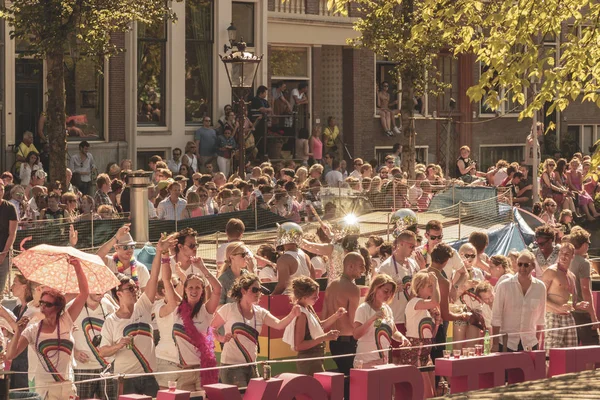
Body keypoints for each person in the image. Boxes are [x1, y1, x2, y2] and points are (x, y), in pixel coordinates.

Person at [6, 258, 89, 400]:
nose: (43, 307)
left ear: (58, 308)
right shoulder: (32, 330)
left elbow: (84, 293)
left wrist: (77, 267)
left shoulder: (66, 321)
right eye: (42, 303)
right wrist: (18, 331)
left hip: (67, 387)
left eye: (48, 305)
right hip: (43, 390)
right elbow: (10, 355)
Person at [98, 239, 163, 397]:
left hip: (149, 375)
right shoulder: (111, 320)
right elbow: (102, 352)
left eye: (135, 288)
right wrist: (118, 345)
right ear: (118, 294)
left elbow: (154, 278)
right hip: (125, 380)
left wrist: (160, 251)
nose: (135, 291)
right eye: (130, 289)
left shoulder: (143, 306)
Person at [210, 274, 300, 387]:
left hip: (252, 366)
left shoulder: (260, 312)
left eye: (260, 290)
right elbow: (211, 328)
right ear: (243, 291)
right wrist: (221, 338)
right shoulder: (228, 309)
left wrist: (292, 314)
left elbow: (279, 325)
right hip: (231, 366)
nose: (259, 293)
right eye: (255, 289)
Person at [157, 247, 221, 390]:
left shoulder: (206, 310)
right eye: (190, 288)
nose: (194, 291)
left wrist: (202, 268)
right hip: (183, 371)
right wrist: (165, 255)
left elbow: (218, 290)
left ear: (202, 291)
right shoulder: (177, 309)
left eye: (198, 288)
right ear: (185, 290)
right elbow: (166, 280)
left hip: (203, 370)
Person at [283, 276, 344, 375]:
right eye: (314, 297)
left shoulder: (308, 307)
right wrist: (324, 337)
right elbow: (299, 345)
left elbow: (319, 326)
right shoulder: (301, 314)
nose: (317, 298)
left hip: (316, 358)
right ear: (304, 297)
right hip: (309, 360)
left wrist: (336, 316)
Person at [322, 252, 363, 394]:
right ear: (350, 266)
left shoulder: (331, 285)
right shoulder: (353, 289)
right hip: (348, 341)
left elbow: (324, 315)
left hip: (333, 342)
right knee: (352, 382)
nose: (363, 270)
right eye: (360, 266)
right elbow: (354, 321)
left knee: (344, 378)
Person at [492, 250, 546, 352]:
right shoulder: (504, 285)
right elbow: (496, 316)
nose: (522, 268)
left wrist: (537, 342)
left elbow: (540, 318)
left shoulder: (540, 287)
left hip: (530, 343)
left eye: (526, 265)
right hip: (506, 343)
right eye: (520, 264)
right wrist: (495, 344)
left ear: (533, 266)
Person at [353, 274, 411, 368]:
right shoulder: (363, 308)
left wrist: (402, 338)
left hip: (383, 362)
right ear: (375, 289)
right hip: (366, 362)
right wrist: (372, 319)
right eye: (385, 291)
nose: (388, 295)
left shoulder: (387, 309)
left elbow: (394, 331)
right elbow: (356, 334)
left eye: (391, 292)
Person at [426, 243, 471, 362]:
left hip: (418, 327)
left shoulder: (420, 274)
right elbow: (445, 315)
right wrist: (463, 316)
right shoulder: (443, 282)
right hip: (435, 329)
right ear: (446, 261)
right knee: (436, 365)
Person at [71, 292, 117, 400]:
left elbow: (116, 330)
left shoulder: (108, 306)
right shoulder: (72, 307)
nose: (101, 291)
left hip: (107, 367)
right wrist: (74, 352)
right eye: (97, 288)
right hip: (82, 368)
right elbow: (61, 334)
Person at [541, 243, 588, 350]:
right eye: (561, 253)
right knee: (552, 353)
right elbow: (540, 297)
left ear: (572, 256)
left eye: (567, 254)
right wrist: (558, 307)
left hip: (568, 317)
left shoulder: (572, 276)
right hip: (553, 316)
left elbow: (570, 298)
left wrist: (577, 305)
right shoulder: (551, 271)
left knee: (571, 353)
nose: (563, 256)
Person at [377, 231, 421, 337]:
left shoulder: (413, 263)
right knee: (397, 353)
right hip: (396, 320)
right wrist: (393, 289)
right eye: (411, 246)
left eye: (415, 246)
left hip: (413, 318)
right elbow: (377, 294)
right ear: (400, 244)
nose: (413, 249)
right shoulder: (386, 267)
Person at [404, 271, 440, 398]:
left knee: (433, 393)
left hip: (426, 353)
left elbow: (431, 335)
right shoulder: (415, 302)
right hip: (416, 353)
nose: (432, 288)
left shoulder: (424, 307)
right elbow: (436, 302)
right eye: (429, 286)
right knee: (426, 393)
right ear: (419, 287)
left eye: (432, 285)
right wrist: (436, 282)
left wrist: (437, 322)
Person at [569, 228, 600, 345]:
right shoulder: (583, 263)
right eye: (588, 243)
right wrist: (593, 317)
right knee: (593, 349)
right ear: (583, 244)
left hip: (571, 310)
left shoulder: (566, 260)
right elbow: (585, 290)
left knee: (573, 349)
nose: (588, 246)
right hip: (583, 312)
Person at [97, 224, 151, 290]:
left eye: (132, 246)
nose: (130, 250)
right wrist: (116, 237)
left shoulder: (141, 269)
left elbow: (145, 295)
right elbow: (97, 257)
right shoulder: (109, 263)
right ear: (116, 248)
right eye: (125, 247)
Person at [272, 223, 315, 295]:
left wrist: (270, 298)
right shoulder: (305, 255)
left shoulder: (284, 259)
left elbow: (283, 284)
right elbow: (313, 277)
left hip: (289, 299)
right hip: (305, 297)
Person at [0, 183, 17, 294]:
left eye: (1, 189)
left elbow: (12, 233)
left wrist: (3, 254)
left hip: (4, 253)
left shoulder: (10, 208)